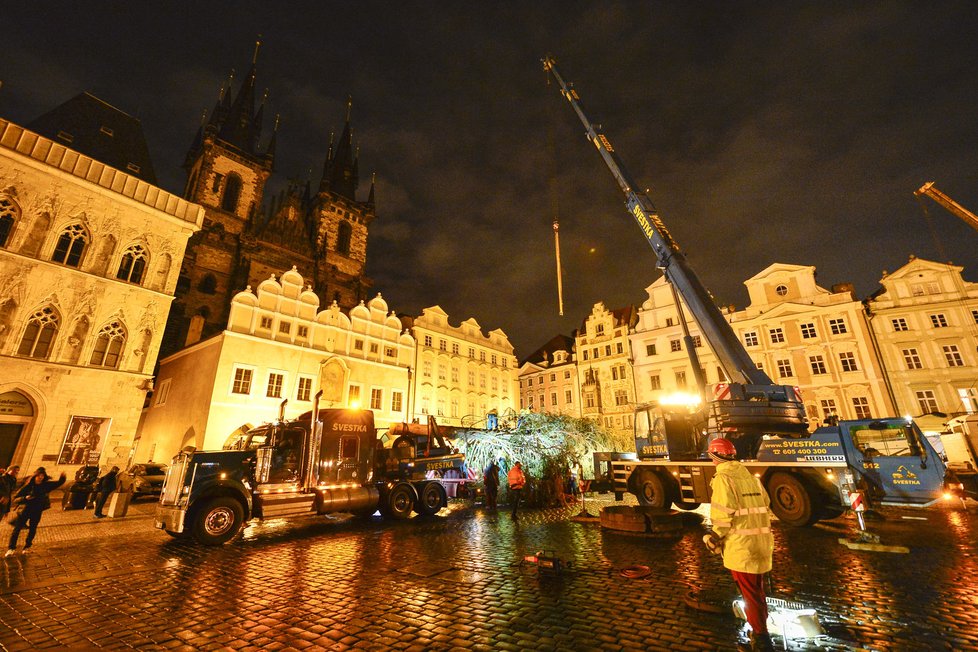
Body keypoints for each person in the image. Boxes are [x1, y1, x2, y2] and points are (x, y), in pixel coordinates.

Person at [703, 438, 775, 652]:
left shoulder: (723, 479)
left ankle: (761, 638)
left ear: (714, 456)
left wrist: (714, 536)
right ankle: (758, 628)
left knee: (751, 594)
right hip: (761, 544)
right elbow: (765, 505)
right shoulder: (751, 478)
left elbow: (723, 513)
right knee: (756, 590)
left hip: (742, 547)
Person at [6, 467, 67, 556]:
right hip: (25, 510)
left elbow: (58, 483)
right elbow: (15, 499)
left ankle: (27, 547)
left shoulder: (45, 485)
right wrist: (25, 498)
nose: (40, 477)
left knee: (33, 529)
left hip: (37, 510)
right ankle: (11, 548)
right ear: (35, 476)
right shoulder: (28, 486)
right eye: (39, 475)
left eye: (42, 476)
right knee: (17, 529)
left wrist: (63, 477)